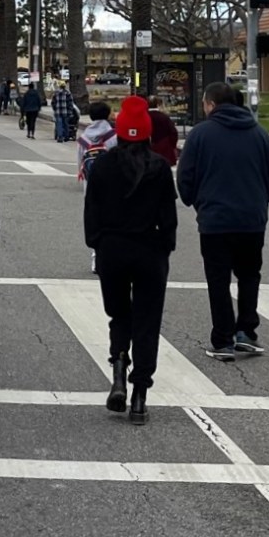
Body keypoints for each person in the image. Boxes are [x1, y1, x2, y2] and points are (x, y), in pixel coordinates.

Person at [84, 96, 178, 425]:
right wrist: (166, 245)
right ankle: (140, 395)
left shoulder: (104, 166)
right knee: (147, 323)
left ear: (119, 132)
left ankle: (119, 367)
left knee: (119, 316)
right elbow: (169, 217)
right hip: (149, 249)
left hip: (113, 249)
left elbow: (91, 211)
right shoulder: (160, 168)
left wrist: (96, 241)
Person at [177, 81, 269, 361]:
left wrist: (196, 201)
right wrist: (259, 201)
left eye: (203, 103)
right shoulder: (259, 134)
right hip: (252, 220)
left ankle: (223, 339)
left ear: (211, 104)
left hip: (215, 220)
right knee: (249, 275)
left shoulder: (200, 135)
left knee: (218, 280)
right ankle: (246, 331)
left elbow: (185, 177)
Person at [77, 101, 119, 274]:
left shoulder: (83, 138)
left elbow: (80, 162)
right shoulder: (113, 136)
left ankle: (96, 258)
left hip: (91, 187)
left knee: (96, 223)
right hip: (113, 187)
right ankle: (112, 257)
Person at [147, 95, 180, 166]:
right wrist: (172, 145)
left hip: (147, 151)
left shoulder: (144, 117)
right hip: (164, 151)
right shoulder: (164, 117)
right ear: (157, 104)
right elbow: (173, 133)